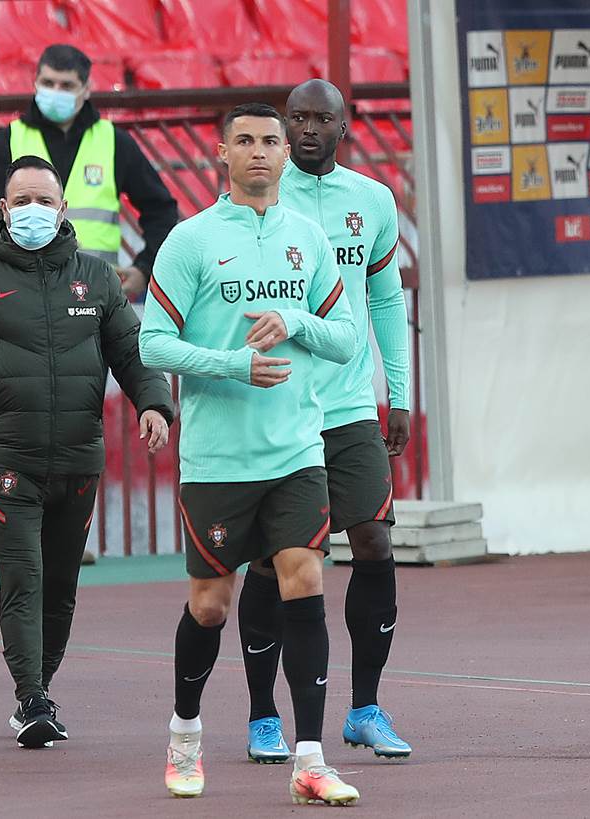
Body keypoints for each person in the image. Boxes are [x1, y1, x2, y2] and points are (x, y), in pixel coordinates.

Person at [0, 155, 174, 749]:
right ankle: (30, 697)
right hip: (5, 460)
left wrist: (153, 403)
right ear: (3, 209)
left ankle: (38, 690)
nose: (32, 211)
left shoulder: (98, 279)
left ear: (62, 209)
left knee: (60, 586)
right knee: (23, 577)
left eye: (43, 201)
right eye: (21, 201)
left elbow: (133, 353)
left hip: (77, 460)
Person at [140, 103, 360, 805]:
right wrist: (233, 363)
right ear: (222, 154)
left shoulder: (308, 237)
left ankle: (310, 758)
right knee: (210, 606)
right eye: (247, 141)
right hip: (218, 460)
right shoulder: (191, 240)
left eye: (271, 141)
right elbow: (152, 344)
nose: (262, 152)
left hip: (297, 449)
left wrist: (296, 319)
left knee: (304, 578)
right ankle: (184, 734)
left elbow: (346, 337)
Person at [237, 79, 412, 765]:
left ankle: (365, 706)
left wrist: (394, 391)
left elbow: (387, 302)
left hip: (345, 409)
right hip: (276, 404)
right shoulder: (254, 200)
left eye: (322, 119)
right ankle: (261, 716)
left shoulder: (372, 201)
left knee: (372, 537)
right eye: (296, 119)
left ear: (347, 123)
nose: (308, 130)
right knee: (277, 559)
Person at [0, 44, 178, 299]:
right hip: (25, 291)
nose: (55, 93)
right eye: (48, 83)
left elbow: (161, 210)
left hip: (96, 293)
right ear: (35, 83)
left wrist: (144, 269)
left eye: (66, 86)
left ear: (86, 89)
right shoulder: (9, 140)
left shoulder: (114, 143)